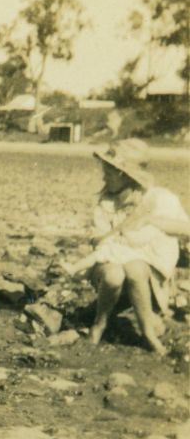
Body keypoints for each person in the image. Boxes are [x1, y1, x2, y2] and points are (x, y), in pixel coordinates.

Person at [66, 139, 189, 354]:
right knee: (114, 275)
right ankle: (100, 323)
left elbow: (185, 229)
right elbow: (98, 241)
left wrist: (151, 221)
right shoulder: (106, 202)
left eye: (109, 173)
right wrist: (118, 235)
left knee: (135, 268)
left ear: (126, 174)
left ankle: (148, 333)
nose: (104, 177)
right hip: (113, 259)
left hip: (150, 264)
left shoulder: (159, 198)